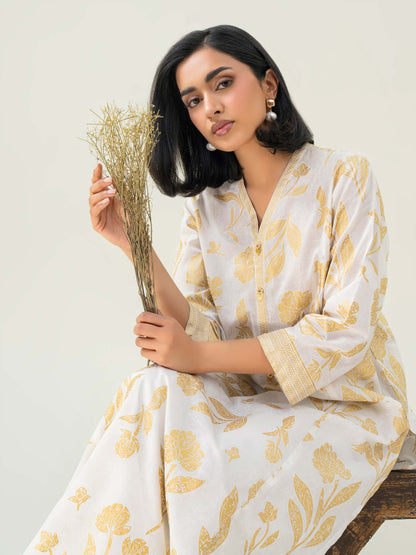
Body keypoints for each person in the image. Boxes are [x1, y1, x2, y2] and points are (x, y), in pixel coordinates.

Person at [23, 24, 416, 554]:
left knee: (194, 473)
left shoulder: (344, 177)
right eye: (193, 100)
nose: (210, 107)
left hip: (346, 410)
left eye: (223, 83)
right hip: (248, 404)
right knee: (153, 388)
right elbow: (200, 324)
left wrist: (196, 355)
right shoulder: (208, 205)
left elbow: (344, 333)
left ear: (269, 84)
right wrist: (133, 243)